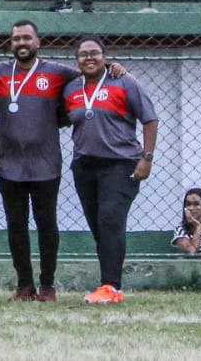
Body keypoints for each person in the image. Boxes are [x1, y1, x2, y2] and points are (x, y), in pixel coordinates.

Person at [0, 19, 79, 302]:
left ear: (38, 42)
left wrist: (115, 69)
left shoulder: (58, 72)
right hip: (9, 163)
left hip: (46, 163)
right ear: (11, 44)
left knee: (47, 225)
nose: (21, 43)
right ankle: (24, 285)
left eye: (26, 38)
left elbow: (88, 76)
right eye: (16, 39)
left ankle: (47, 286)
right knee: (16, 225)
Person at [64, 36, 158, 304]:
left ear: (105, 56)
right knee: (99, 226)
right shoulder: (71, 88)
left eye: (94, 53)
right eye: (83, 54)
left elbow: (149, 119)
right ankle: (107, 284)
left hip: (120, 163)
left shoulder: (124, 81)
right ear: (77, 60)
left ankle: (111, 287)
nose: (89, 58)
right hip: (84, 165)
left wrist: (147, 158)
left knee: (110, 221)